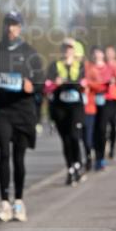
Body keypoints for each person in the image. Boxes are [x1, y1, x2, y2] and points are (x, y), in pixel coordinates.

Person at [0, 11, 44, 222]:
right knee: (4, 153)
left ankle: (19, 201)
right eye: (8, 24)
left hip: (23, 111)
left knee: (19, 157)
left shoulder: (31, 53)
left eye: (15, 24)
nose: (11, 28)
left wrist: (31, 87)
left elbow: (40, 84)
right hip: (1, 111)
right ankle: (4, 203)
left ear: (20, 28)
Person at [45, 39, 86, 185]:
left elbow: (83, 83)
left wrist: (73, 84)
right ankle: (70, 168)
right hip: (60, 107)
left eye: (70, 48)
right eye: (65, 48)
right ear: (62, 50)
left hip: (75, 106)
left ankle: (78, 163)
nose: (68, 50)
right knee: (65, 140)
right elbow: (47, 86)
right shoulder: (55, 66)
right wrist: (55, 84)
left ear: (74, 51)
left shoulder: (80, 66)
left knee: (74, 136)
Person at [84, 47, 112, 171]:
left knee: (101, 130)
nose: (97, 58)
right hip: (91, 104)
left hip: (104, 103)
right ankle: (91, 155)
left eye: (99, 55)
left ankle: (100, 158)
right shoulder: (88, 68)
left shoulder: (107, 68)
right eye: (94, 56)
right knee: (90, 132)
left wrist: (93, 84)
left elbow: (107, 84)